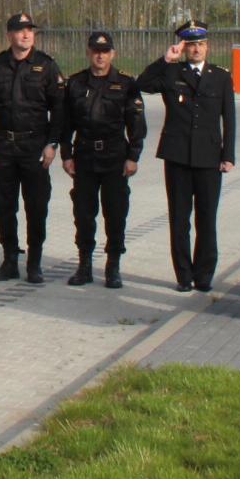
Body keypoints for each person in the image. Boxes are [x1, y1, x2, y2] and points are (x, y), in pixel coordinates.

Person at [136, 20, 237, 292]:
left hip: (208, 157)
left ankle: (204, 275)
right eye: (191, 45)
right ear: (184, 48)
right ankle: (184, 276)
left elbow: (229, 117)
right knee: (179, 219)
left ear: (207, 47)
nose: (196, 50)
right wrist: (165, 59)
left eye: (200, 45)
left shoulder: (220, 76)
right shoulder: (172, 73)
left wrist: (228, 155)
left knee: (207, 218)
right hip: (178, 156)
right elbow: (143, 83)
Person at [0, 12, 66, 283]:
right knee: (4, 206)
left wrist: (52, 144)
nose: (26, 35)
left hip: (34, 147)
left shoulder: (46, 66)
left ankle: (34, 262)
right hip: (4, 145)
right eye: (20, 30)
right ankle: (9, 259)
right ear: (9, 35)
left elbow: (60, 110)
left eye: (30, 30)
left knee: (37, 206)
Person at [57, 32, 145, 289]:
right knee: (83, 214)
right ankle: (84, 265)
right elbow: (65, 125)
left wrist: (133, 156)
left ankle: (113, 266)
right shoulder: (75, 84)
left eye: (105, 51)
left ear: (112, 54)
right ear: (88, 52)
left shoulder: (126, 84)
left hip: (115, 157)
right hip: (84, 156)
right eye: (96, 50)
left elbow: (136, 124)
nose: (100, 55)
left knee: (116, 214)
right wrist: (66, 155)